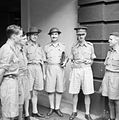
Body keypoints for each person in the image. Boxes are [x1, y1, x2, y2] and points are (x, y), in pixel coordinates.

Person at [69, 25, 96, 120]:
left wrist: (90, 62)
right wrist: (74, 63)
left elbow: (92, 59)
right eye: (79, 34)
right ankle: (74, 111)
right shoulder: (73, 46)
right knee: (74, 92)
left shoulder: (90, 46)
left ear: (86, 34)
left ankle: (87, 113)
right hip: (76, 70)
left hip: (86, 70)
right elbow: (71, 60)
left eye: (82, 34)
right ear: (76, 35)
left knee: (87, 92)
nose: (81, 36)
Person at [0, 25, 24, 120]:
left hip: (13, 81)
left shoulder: (13, 48)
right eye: (20, 35)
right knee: (7, 113)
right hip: (8, 83)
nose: (21, 38)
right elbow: (1, 71)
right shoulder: (7, 49)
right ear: (14, 36)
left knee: (12, 112)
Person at [43, 27, 68, 117]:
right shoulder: (46, 47)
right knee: (50, 90)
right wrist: (44, 73)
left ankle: (57, 108)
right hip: (50, 68)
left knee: (59, 89)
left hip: (59, 68)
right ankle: (51, 107)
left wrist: (64, 62)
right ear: (50, 36)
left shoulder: (63, 46)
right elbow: (44, 61)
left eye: (56, 34)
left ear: (58, 35)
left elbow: (67, 57)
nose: (54, 36)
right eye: (52, 34)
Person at [26, 27, 45, 118]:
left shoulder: (39, 46)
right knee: (27, 91)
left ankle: (34, 111)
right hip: (29, 68)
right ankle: (26, 113)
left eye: (36, 35)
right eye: (33, 35)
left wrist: (44, 73)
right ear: (29, 35)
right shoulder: (25, 46)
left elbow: (43, 61)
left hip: (38, 68)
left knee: (35, 91)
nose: (35, 36)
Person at [101, 32, 119, 120]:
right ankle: (112, 117)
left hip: (116, 78)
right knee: (109, 99)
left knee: (117, 100)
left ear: (117, 40)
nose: (109, 41)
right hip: (107, 76)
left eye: (111, 39)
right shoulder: (109, 51)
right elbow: (106, 65)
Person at [16, 34, 31, 120]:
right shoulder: (15, 51)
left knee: (25, 96)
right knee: (20, 100)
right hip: (19, 77)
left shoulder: (22, 50)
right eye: (24, 39)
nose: (26, 40)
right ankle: (19, 117)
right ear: (19, 39)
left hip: (25, 77)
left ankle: (22, 116)